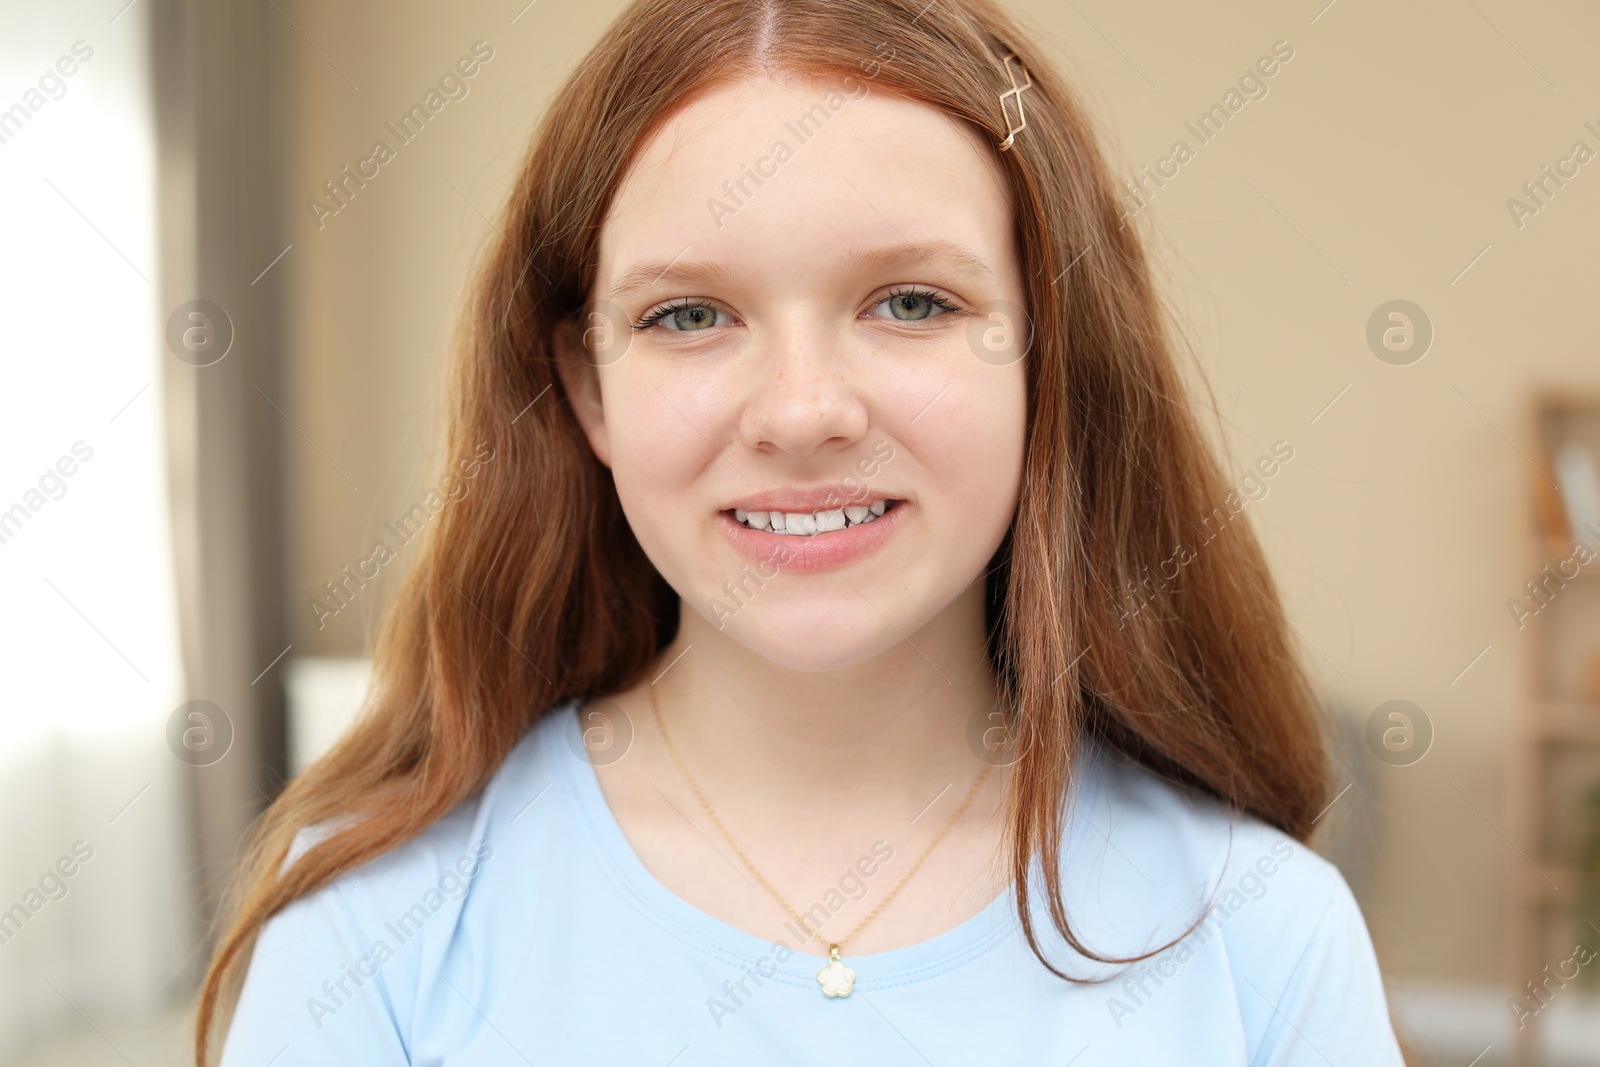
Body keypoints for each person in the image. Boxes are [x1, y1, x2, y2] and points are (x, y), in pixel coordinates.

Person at [198, 0, 1409, 1062]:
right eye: (687, 314)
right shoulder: (374, 918)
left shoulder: (1261, 930)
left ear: (1047, 354)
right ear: (585, 386)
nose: (801, 412)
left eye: (911, 302)